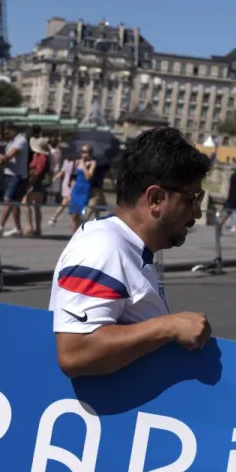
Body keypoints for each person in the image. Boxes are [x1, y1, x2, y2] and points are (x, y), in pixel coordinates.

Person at [51, 127, 212, 378]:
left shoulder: (126, 246)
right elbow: (74, 352)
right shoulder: (103, 247)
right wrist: (168, 327)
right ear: (155, 198)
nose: (198, 213)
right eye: (193, 198)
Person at [0, 125, 29, 237]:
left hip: (16, 175)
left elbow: (10, 155)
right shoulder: (11, 141)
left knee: (8, 200)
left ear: (13, 130)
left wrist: (0, 158)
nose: (5, 135)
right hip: (9, 174)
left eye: (7, 132)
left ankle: (0, 226)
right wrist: (1, 160)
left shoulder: (21, 141)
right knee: (14, 202)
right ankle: (18, 228)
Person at [24, 136, 52, 237]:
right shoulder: (45, 157)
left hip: (36, 182)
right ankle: (38, 228)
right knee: (37, 206)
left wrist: (31, 182)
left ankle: (29, 227)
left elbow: (37, 171)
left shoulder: (40, 157)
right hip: (40, 183)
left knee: (25, 203)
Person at [65, 145, 95, 231]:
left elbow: (88, 177)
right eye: (82, 151)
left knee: (82, 215)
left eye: (85, 152)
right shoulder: (77, 162)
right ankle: (74, 235)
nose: (83, 153)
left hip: (84, 190)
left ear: (89, 153)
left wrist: (83, 164)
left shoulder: (92, 163)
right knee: (74, 216)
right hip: (76, 190)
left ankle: (81, 233)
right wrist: (70, 193)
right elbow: (74, 178)